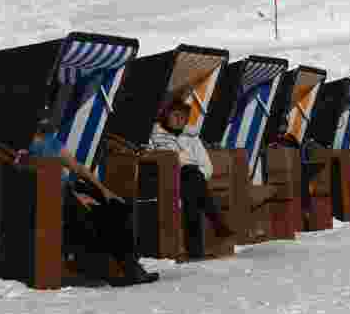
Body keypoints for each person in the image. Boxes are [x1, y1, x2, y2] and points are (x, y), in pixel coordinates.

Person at [29, 116, 158, 286]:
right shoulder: (28, 146)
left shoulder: (51, 142)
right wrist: (74, 196)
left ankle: (128, 266)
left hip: (67, 191)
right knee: (98, 214)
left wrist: (104, 190)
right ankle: (112, 269)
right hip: (50, 196)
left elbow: (77, 167)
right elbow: (35, 176)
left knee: (117, 206)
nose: (51, 122)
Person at [148, 98, 235, 260]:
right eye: (176, 115)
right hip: (167, 179)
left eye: (183, 117)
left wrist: (195, 175)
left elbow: (207, 166)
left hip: (192, 180)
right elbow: (150, 158)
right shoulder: (154, 135)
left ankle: (195, 251)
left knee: (192, 192)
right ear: (166, 115)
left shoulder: (192, 137)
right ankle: (216, 222)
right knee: (190, 176)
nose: (179, 120)